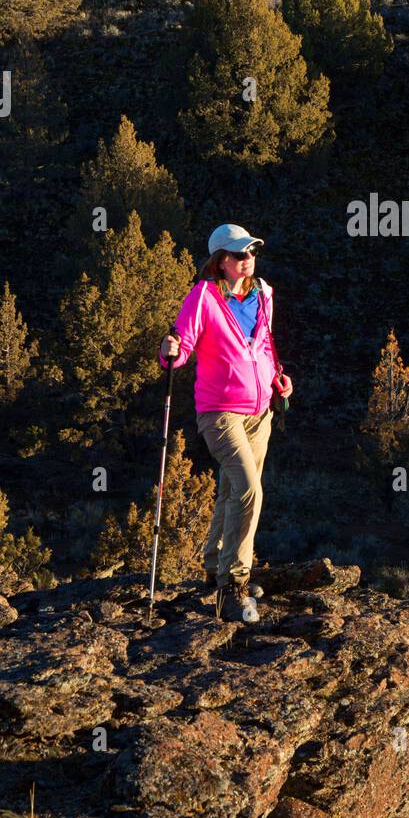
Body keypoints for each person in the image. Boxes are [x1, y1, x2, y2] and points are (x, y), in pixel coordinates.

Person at [160, 223, 293, 622]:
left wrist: (277, 378)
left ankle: (215, 563)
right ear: (220, 261)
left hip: (260, 411)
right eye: (239, 254)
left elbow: (264, 344)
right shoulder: (203, 297)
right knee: (250, 490)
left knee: (231, 491)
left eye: (251, 252)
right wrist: (170, 353)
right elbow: (182, 346)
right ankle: (232, 587)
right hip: (219, 412)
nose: (247, 259)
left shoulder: (262, 295)